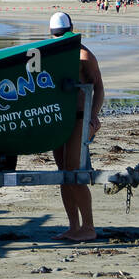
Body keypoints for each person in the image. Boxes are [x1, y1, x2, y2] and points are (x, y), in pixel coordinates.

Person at [49, 12, 104, 242]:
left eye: (64, 34)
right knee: (64, 174)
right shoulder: (53, 53)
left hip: (80, 118)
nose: (60, 38)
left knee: (74, 172)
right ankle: (73, 227)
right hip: (60, 119)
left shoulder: (83, 55)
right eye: (57, 35)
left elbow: (98, 88)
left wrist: (93, 118)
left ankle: (88, 227)